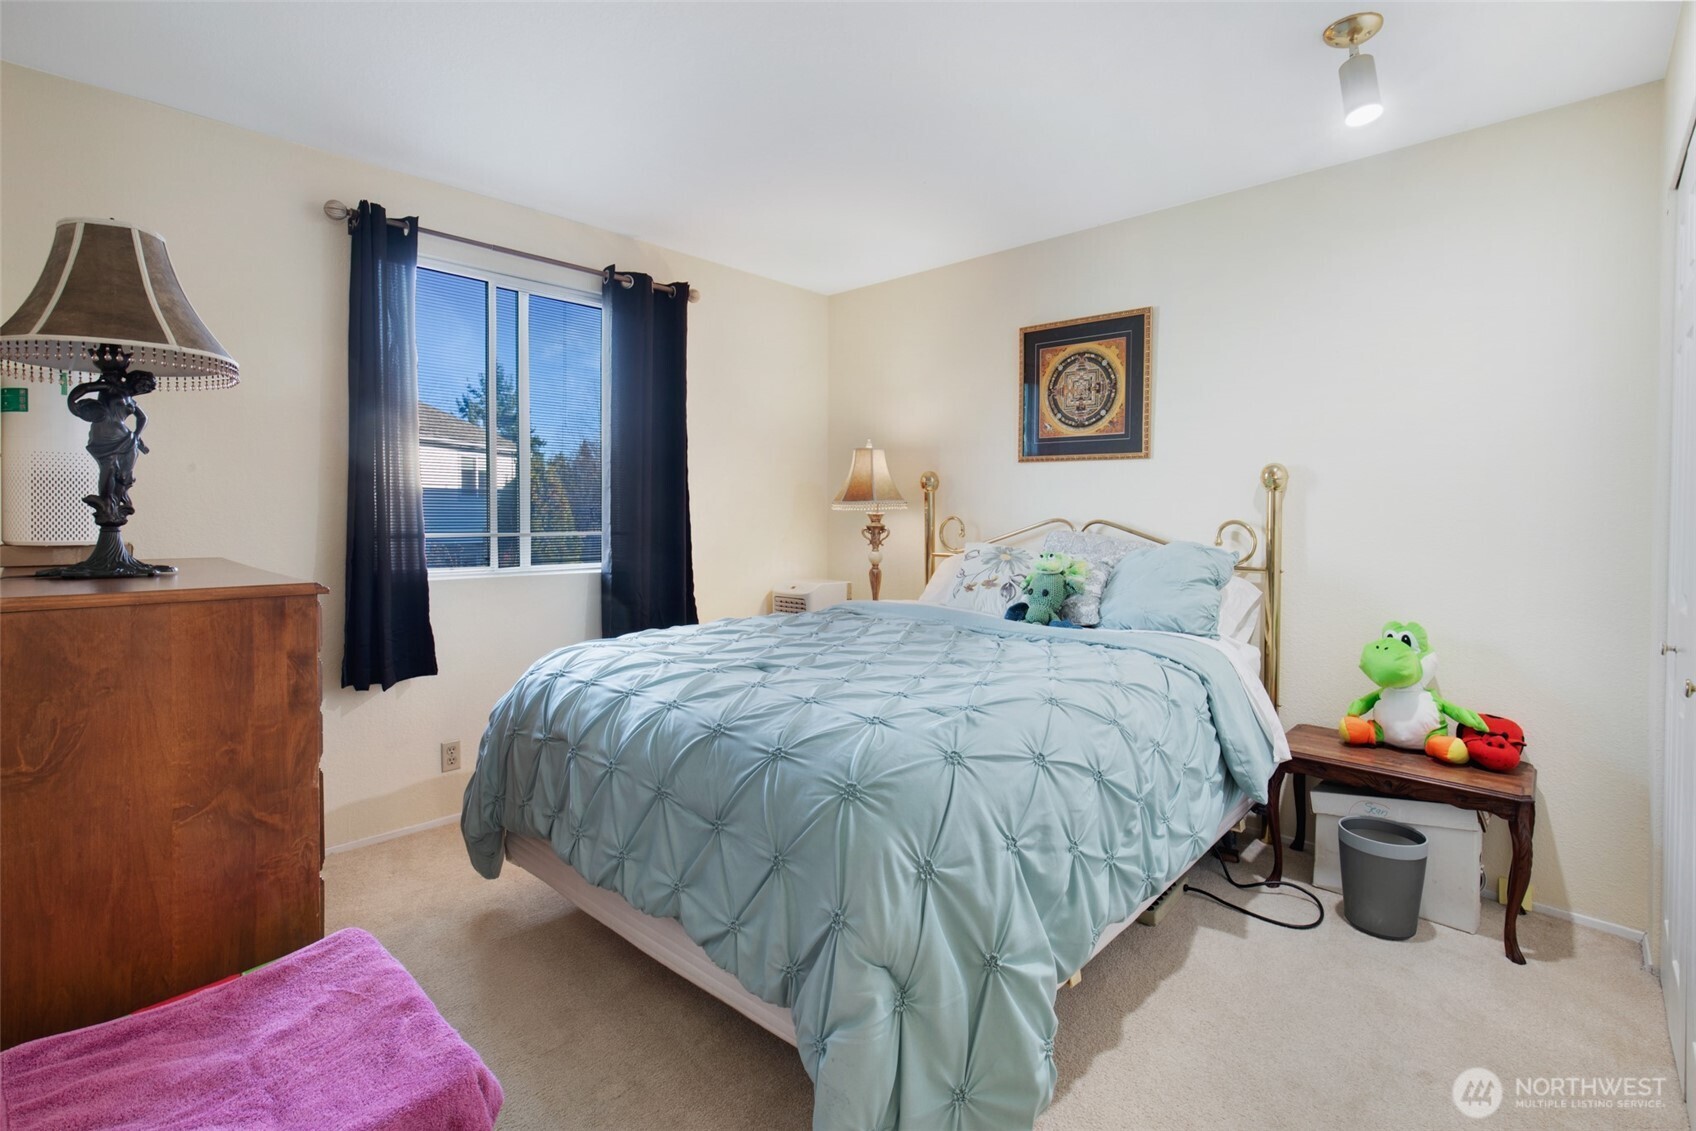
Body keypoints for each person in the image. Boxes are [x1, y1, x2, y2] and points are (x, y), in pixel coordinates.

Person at [67, 369, 156, 526]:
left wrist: (136, 435)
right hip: (105, 436)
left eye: (147, 389)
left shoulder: (130, 399)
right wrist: (73, 406)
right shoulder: (110, 388)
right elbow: (85, 389)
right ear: (135, 381)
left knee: (124, 475)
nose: (143, 390)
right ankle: (106, 501)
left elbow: (143, 418)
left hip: (126, 438)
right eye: (143, 386)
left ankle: (116, 504)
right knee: (109, 467)